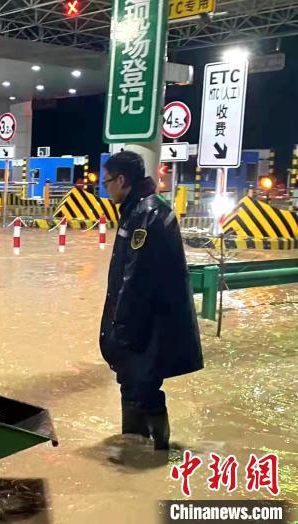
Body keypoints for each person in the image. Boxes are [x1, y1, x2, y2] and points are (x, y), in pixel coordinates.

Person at [100, 151, 203, 450]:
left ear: (122, 180)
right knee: (130, 382)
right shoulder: (137, 210)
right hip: (140, 321)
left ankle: (159, 450)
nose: (106, 190)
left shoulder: (147, 214)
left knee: (144, 384)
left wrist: (121, 326)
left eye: (107, 183)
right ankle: (133, 445)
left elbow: (137, 279)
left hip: (148, 323)